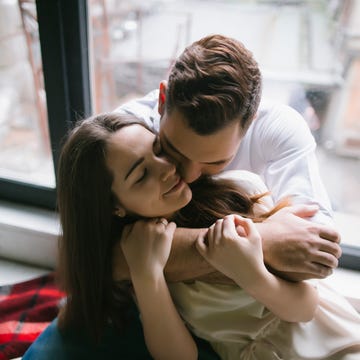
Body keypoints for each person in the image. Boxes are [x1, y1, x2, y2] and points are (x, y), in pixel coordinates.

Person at [24, 113, 360, 360]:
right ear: (115, 207)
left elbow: (305, 309)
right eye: (142, 175)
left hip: (327, 344)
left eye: (158, 148)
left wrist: (250, 273)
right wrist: (147, 274)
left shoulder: (239, 191)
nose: (166, 168)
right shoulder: (139, 254)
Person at [113, 34, 341, 285]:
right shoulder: (124, 133)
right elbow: (109, 259)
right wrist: (263, 240)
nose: (187, 176)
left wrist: (175, 254)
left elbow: (317, 256)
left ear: (252, 119)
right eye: (170, 150)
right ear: (162, 100)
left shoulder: (278, 130)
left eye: (214, 162)